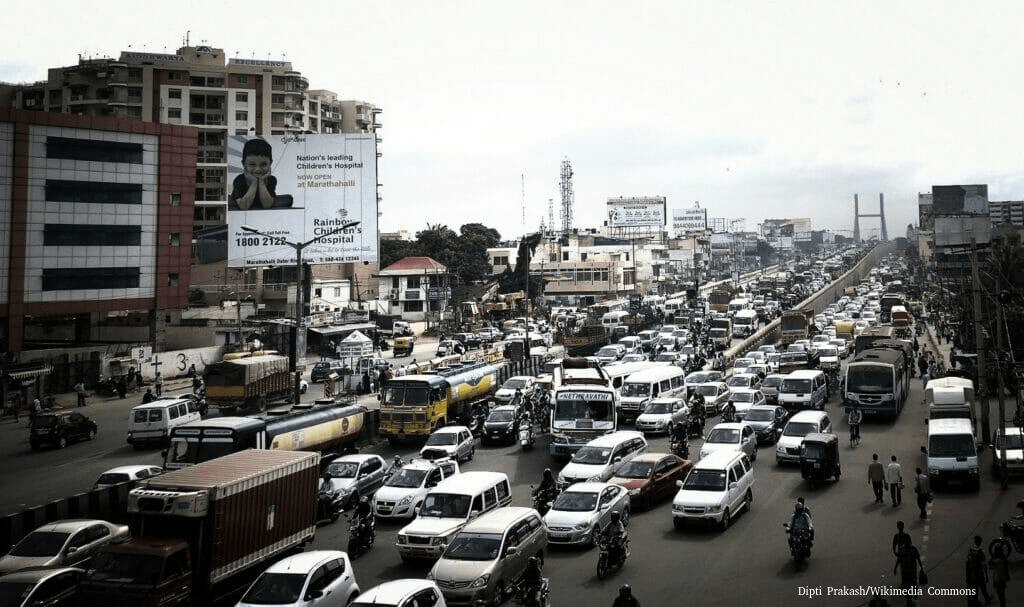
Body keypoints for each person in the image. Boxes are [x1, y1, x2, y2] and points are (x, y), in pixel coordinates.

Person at [230, 138, 282, 210]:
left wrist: (261, 181)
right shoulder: (239, 180)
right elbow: (244, 206)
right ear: (244, 164)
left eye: (263, 164)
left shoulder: (271, 179)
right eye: (252, 164)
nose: (258, 170)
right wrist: (254, 182)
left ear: (270, 163)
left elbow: (267, 205)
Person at [893, 535, 923, 606]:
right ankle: (909, 599)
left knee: (912, 584)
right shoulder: (904, 549)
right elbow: (899, 559)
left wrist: (921, 567)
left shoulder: (912, 549)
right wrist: (895, 567)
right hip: (906, 572)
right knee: (907, 585)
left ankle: (913, 595)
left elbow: (918, 558)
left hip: (911, 571)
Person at [966, 535, 992, 604]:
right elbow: (983, 564)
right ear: (980, 541)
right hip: (979, 572)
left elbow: (968, 560)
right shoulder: (980, 551)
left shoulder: (971, 549)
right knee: (983, 587)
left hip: (973, 572)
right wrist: (986, 575)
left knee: (975, 587)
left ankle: (976, 600)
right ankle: (987, 599)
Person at [990, 541, 1010, 607]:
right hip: (1000, 579)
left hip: (998, 579)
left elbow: (990, 564)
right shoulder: (1003, 558)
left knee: (1001, 596)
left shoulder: (996, 559)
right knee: (1002, 596)